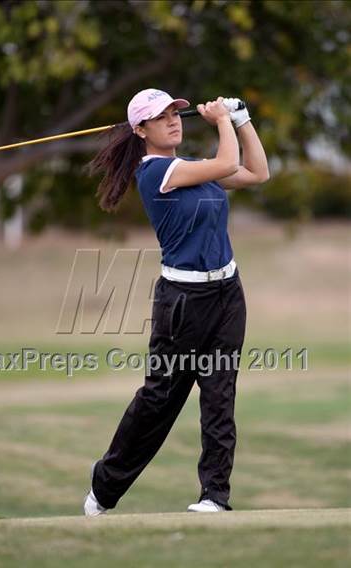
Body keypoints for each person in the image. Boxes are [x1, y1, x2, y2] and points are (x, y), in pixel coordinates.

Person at [83, 88, 270, 515]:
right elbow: (226, 162)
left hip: (227, 293)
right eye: (160, 116)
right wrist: (222, 120)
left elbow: (258, 173)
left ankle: (214, 496)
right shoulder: (155, 173)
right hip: (183, 302)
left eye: (175, 113)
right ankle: (104, 488)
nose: (173, 120)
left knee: (220, 395)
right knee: (160, 400)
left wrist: (241, 120)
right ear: (141, 130)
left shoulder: (192, 169)